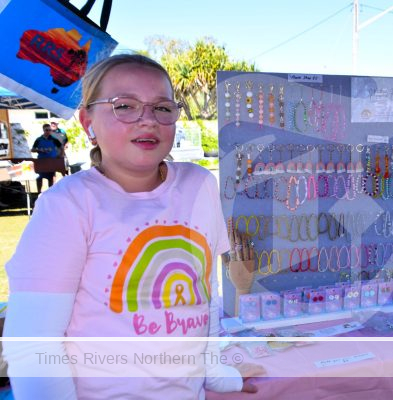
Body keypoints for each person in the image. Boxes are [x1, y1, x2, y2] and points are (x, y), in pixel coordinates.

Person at [2, 54, 259, 399]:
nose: (148, 120)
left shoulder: (199, 185)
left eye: (162, 108)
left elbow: (205, 294)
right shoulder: (68, 205)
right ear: (87, 121)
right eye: (125, 105)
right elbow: (32, 349)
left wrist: (213, 371)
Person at [31, 123, 62, 192]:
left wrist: (60, 155)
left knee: (51, 178)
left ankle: (50, 192)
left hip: (51, 161)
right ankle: (38, 192)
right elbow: (32, 149)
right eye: (46, 130)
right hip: (41, 161)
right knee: (39, 178)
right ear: (43, 130)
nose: (48, 131)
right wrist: (39, 150)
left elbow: (61, 147)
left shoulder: (54, 139)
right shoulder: (38, 139)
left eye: (49, 130)